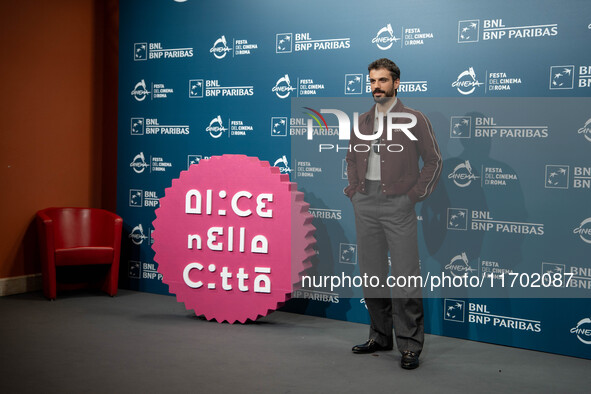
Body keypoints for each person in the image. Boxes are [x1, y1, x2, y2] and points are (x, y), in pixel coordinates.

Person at [344, 58, 442, 369]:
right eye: (372, 81)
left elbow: (434, 161)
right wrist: (355, 190)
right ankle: (380, 335)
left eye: (383, 81)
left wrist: (413, 196)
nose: (376, 87)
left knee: (405, 277)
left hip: (398, 205)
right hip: (366, 202)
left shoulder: (414, 119)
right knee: (371, 273)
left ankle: (410, 345)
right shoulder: (361, 121)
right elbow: (351, 158)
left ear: (396, 83)